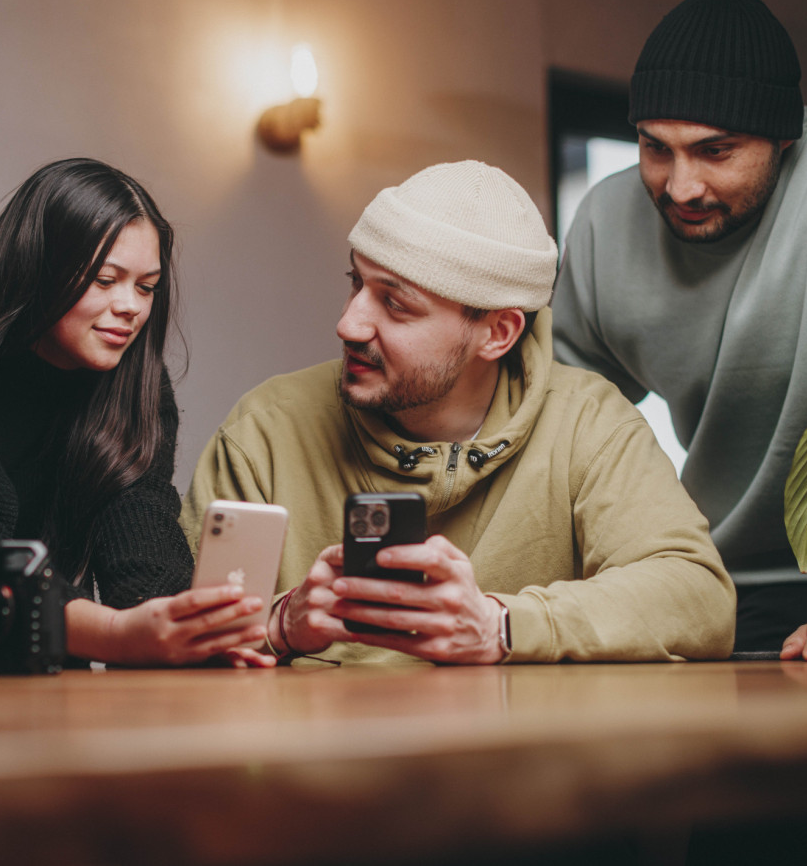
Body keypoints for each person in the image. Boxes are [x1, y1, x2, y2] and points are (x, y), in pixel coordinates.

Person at [183, 160, 735, 665]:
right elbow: (166, 629)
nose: (349, 324)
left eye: (396, 304)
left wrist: (500, 626)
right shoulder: (264, 430)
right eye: (357, 283)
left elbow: (699, 598)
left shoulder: (588, 424)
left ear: (497, 334)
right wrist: (279, 623)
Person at [551, 0, 807, 662]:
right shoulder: (601, 223)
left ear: (784, 138)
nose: (680, 186)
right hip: (709, 581)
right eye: (656, 148)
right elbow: (560, 424)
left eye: (716, 151)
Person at [0, 158, 272, 668]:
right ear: (35, 268)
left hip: (48, 676)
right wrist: (117, 633)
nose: (130, 306)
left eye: (146, 286)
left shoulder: (135, 388)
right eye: (104, 279)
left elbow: (142, 544)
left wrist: (185, 631)